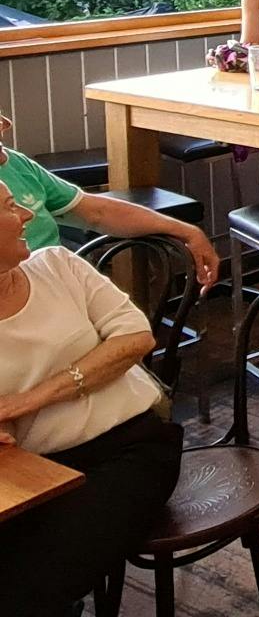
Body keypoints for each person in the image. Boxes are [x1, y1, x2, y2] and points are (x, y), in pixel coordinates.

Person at [0, 180, 183, 616]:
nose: (28, 214)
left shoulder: (58, 265)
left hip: (129, 449)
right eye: (11, 208)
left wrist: (29, 401)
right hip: (31, 475)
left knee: (28, 583)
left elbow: (136, 337)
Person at [0, 112, 220, 288]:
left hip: (58, 287)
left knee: (135, 333)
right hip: (22, 302)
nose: (6, 123)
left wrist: (187, 231)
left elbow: (98, 213)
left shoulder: (15, 164)